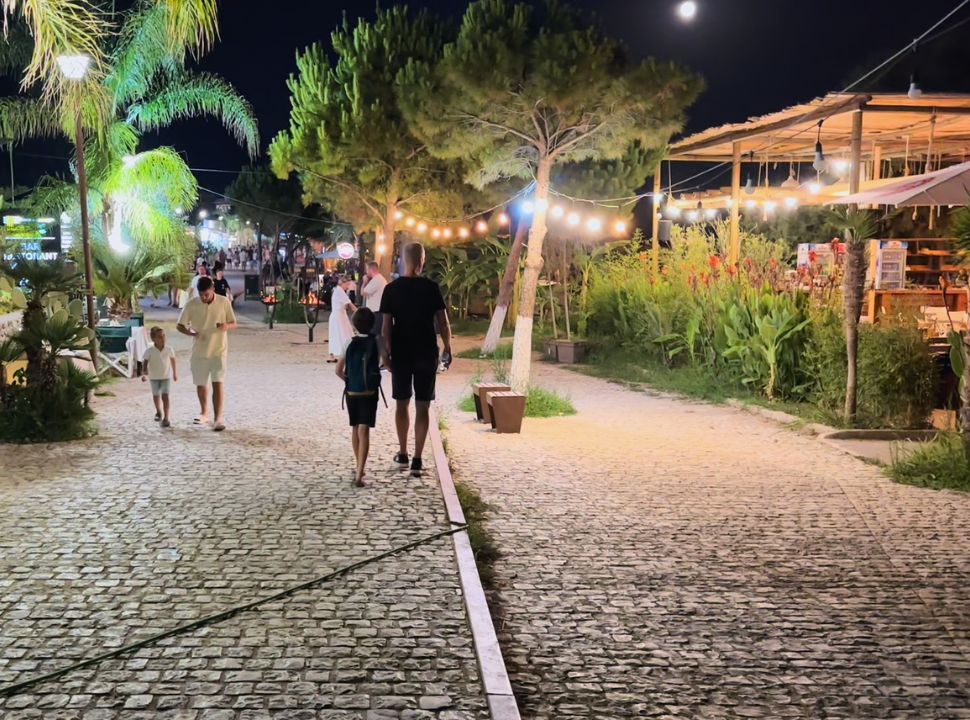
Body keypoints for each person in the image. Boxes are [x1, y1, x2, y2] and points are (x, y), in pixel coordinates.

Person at [380, 242, 452, 478]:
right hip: (425, 351)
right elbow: (443, 322)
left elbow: (386, 327)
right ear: (422, 260)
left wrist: (385, 354)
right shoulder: (431, 288)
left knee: (402, 402)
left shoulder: (391, 289)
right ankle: (418, 458)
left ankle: (402, 453)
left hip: (401, 352)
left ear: (402, 260)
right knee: (423, 405)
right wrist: (447, 347)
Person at [336, 308, 389, 487]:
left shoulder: (349, 343)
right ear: (373, 323)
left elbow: (338, 370)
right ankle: (360, 473)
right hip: (369, 392)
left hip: (352, 392)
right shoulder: (377, 341)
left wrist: (349, 381)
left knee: (355, 427)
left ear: (354, 324)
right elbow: (386, 362)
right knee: (364, 429)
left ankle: (358, 464)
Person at [177, 276, 237, 432]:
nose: (204, 297)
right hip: (199, 351)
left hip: (219, 350)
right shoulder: (191, 304)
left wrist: (226, 326)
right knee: (201, 383)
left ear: (213, 290)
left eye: (207, 294)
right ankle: (204, 412)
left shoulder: (224, 302)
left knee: (218, 383)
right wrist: (191, 333)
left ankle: (218, 418)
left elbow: (234, 322)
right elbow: (180, 325)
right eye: (201, 294)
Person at [141, 326, 177, 427]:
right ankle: (158, 411)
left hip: (166, 376)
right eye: (160, 337)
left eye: (164, 336)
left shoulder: (169, 349)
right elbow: (145, 363)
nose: (163, 338)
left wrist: (174, 373)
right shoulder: (150, 350)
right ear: (153, 339)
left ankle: (166, 417)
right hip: (154, 377)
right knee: (156, 395)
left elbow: (173, 360)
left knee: (165, 396)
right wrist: (144, 374)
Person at [327, 275, 356, 363]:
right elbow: (351, 305)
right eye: (347, 284)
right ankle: (344, 353)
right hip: (338, 316)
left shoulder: (337, 290)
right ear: (343, 283)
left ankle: (332, 355)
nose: (347, 287)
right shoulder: (340, 291)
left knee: (337, 335)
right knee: (343, 335)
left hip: (339, 315)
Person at [360, 261, 388, 341]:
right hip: (377, 311)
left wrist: (364, 282)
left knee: (375, 335)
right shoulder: (378, 279)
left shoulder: (377, 280)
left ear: (370, 269)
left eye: (367, 269)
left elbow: (363, 292)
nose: (366, 272)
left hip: (376, 312)